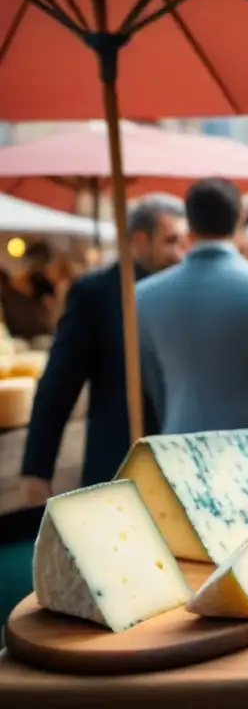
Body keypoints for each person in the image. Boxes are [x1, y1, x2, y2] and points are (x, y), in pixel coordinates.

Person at [19, 196, 188, 504]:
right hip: (119, 459)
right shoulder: (95, 293)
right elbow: (60, 382)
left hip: (183, 466)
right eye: (171, 241)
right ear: (139, 240)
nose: (181, 253)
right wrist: (36, 468)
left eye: (184, 242)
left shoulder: (186, 290)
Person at [136, 178, 248, 434]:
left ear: (190, 221)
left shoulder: (144, 295)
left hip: (183, 442)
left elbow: (152, 381)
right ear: (240, 219)